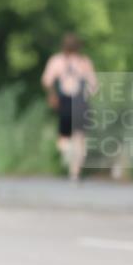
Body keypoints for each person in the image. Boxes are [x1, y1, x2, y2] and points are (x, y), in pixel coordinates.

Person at [41, 33, 97, 182]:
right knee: (80, 138)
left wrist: (52, 94)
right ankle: (74, 173)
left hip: (65, 100)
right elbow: (93, 86)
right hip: (80, 101)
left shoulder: (56, 60)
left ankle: (68, 156)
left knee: (64, 137)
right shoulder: (84, 62)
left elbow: (46, 81)